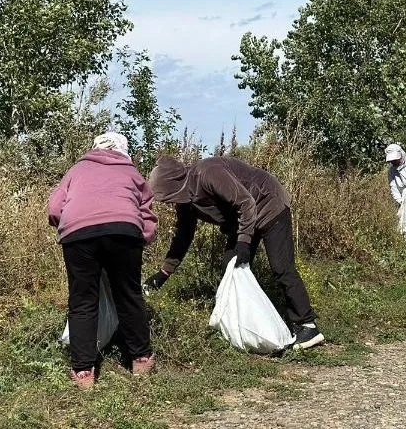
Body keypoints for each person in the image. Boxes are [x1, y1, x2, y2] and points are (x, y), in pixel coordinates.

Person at [142, 155, 324, 350]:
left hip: (269, 205)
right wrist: (164, 273)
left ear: (175, 186)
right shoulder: (185, 200)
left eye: (167, 198)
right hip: (244, 220)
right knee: (230, 266)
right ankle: (246, 327)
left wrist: (244, 242)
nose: (168, 203)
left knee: (281, 267)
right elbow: (183, 236)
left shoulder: (208, 173)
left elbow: (246, 203)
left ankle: (307, 326)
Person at [47, 132, 158, 388]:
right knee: (128, 294)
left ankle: (84, 371)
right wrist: (142, 237)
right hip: (123, 231)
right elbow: (147, 213)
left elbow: (54, 209)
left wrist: (68, 224)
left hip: (78, 235)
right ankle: (140, 358)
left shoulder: (77, 170)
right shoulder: (131, 172)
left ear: (94, 148)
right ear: (123, 150)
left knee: (82, 300)